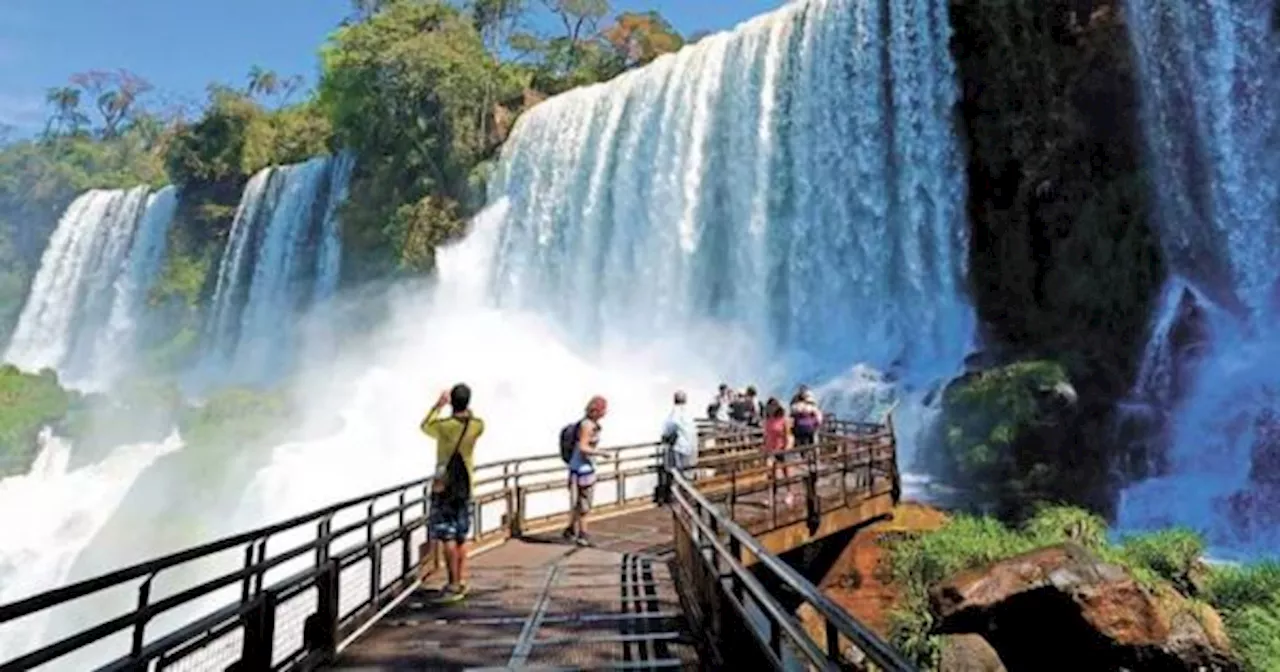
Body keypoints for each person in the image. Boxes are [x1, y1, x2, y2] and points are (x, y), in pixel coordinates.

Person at [420, 383, 485, 603]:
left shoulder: (444, 426)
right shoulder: (477, 425)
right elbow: (474, 421)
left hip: (444, 486)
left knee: (447, 534)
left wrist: (438, 406)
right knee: (461, 535)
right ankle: (460, 579)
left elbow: (425, 426)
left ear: (452, 402)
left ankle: (453, 583)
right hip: (466, 486)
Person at [563, 395, 608, 546]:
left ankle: (570, 529)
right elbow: (583, 447)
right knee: (584, 504)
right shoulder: (587, 426)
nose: (605, 412)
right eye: (603, 409)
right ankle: (583, 535)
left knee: (579, 503)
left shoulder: (587, 424)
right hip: (583, 470)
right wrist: (601, 453)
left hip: (578, 469)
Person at [762, 397, 796, 507]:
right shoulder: (767, 420)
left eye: (772, 407)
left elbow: (788, 435)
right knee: (770, 474)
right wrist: (764, 446)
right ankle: (771, 496)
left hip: (782, 449)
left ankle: (790, 494)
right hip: (771, 450)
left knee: (786, 473)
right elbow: (767, 435)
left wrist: (787, 448)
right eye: (768, 408)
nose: (770, 409)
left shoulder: (783, 420)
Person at [662, 390, 699, 473]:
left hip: (681, 447)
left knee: (679, 472)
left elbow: (669, 428)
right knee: (689, 472)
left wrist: (665, 436)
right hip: (692, 447)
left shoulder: (675, 412)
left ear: (674, 400)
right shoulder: (689, 412)